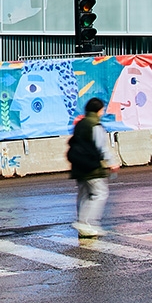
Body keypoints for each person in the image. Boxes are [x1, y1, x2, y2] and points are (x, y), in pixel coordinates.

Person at [66, 98, 120, 238]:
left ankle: (84, 224)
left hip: (79, 165)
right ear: (99, 110)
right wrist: (112, 163)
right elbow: (101, 147)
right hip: (92, 166)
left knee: (83, 195)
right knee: (100, 193)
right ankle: (87, 223)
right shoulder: (95, 126)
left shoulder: (80, 124)